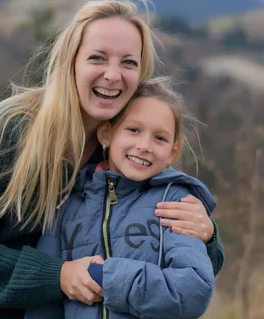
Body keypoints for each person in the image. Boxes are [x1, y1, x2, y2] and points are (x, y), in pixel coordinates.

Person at [0, 0, 225, 319]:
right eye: (97, 58)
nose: (112, 75)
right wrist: (59, 275)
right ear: (72, 61)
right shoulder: (10, 128)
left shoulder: (128, 149)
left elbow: (175, 257)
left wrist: (205, 235)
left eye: (128, 62)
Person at [25, 77, 215, 319]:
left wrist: (109, 277)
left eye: (160, 138)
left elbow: (194, 289)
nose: (144, 145)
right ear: (106, 134)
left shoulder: (176, 203)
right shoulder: (68, 204)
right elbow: (45, 299)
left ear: (172, 152)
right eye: (133, 130)